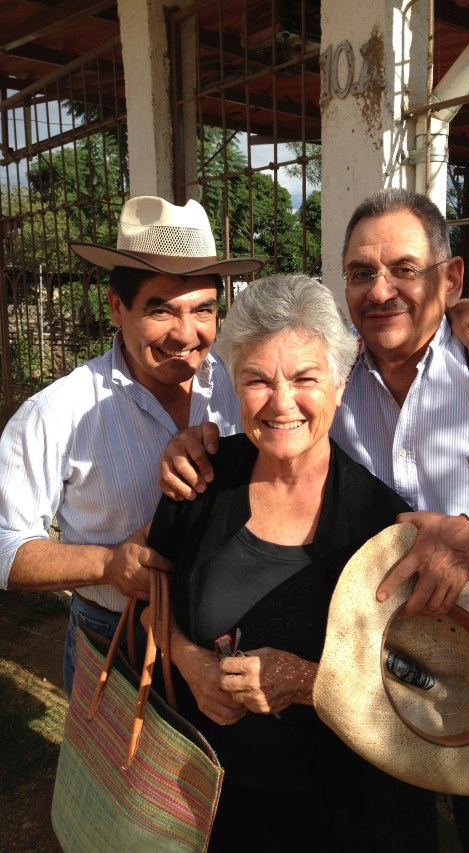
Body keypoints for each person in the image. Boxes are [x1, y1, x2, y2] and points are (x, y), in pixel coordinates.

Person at [158, 188, 469, 853]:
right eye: (362, 272)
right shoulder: (332, 376)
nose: (381, 290)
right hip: (367, 655)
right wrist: (190, 443)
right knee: (389, 821)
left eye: (405, 269)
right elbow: (265, 421)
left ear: (451, 278)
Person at [147, 273, 438, 852]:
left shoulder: (386, 525)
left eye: (305, 377)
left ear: (339, 381)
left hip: (344, 812)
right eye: (257, 379)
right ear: (234, 385)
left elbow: (422, 686)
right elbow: (153, 589)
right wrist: (186, 658)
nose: (282, 403)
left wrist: (306, 682)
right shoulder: (201, 480)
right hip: (206, 798)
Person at [0, 195, 262, 695]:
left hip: (227, 635)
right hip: (115, 640)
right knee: (119, 771)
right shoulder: (56, 412)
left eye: (203, 309)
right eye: (161, 310)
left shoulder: (238, 385)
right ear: (117, 307)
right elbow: (4, 546)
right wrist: (107, 565)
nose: (186, 334)